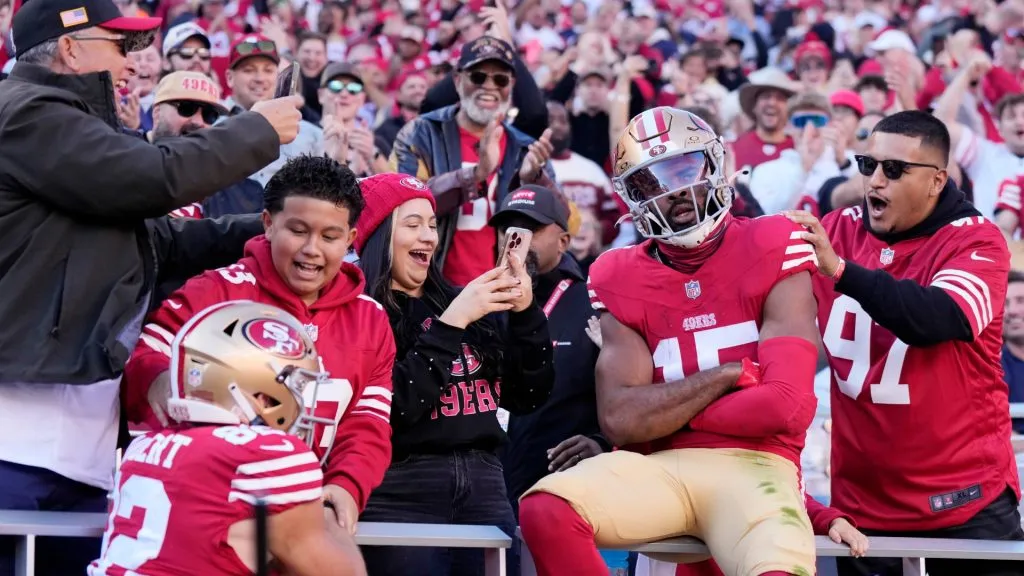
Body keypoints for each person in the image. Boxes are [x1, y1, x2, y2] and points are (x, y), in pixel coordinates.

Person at [0, 0, 302, 572]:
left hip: (80, 448)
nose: (136, 63)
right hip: (11, 440)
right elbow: (151, 179)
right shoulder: (24, 110)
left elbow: (163, 238)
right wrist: (257, 128)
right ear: (69, 48)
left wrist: (278, 233)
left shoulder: (82, 133)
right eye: (120, 45)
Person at [518, 107, 866, 576]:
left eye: (683, 169)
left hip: (756, 469)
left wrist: (662, 416)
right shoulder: (616, 273)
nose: (673, 191)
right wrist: (730, 376)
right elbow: (621, 419)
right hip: (659, 471)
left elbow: (785, 406)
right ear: (632, 198)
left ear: (714, 164)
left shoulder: (776, 239)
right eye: (650, 182)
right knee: (545, 507)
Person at [788, 110, 1023, 576]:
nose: (875, 181)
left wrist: (842, 272)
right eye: (867, 165)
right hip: (863, 512)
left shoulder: (976, 241)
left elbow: (938, 317)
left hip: (964, 507)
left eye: (893, 170)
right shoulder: (837, 229)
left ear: (937, 181)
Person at [124, 156, 396, 537]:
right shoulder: (213, 291)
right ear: (268, 224)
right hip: (206, 511)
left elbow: (366, 424)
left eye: (330, 237)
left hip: (302, 521)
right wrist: (167, 387)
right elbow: (143, 363)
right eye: (298, 231)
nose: (312, 249)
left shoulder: (371, 320)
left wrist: (347, 485)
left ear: (351, 239)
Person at [353, 173, 554, 575]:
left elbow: (526, 395)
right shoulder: (359, 311)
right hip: (401, 489)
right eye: (412, 225)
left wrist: (526, 314)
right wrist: (453, 322)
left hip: (485, 484)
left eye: (431, 224)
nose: (428, 236)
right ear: (378, 234)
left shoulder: (461, 298)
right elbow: (396, 407)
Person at [89, 302, 366, 576]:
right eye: (295, 390)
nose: (301, 405)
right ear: (263, 397)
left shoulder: (143, 446)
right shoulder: (267, 453)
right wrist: (329, 515)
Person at [390, 35, 557, 287]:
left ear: (510, 86)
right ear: (458, 81)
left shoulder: (525, 146)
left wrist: (533, 180)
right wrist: (477, 174)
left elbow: (566, 225)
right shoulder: (420, 133)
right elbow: (401, 203)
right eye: (478, 76)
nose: (489, 86)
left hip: (503, 292)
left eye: (500, 79)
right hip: (432, 291)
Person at [489, 185, 608, 511]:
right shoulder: (481, 302)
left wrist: (602, 443)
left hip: (561, 497)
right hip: (486, 496)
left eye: (531, 228)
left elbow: (624, 389)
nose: (517, 239)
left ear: (564, 240)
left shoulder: (594, 304)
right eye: (507, 228)